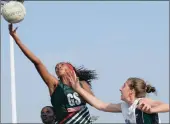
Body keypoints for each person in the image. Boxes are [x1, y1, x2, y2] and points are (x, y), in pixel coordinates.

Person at [9, 24, 98, 124]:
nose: (58, 66)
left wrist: (80, 92)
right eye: (56, 67)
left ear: (71, 69)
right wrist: (17, 40)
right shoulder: (55, 84)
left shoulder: (82, 84)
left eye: (62, 65)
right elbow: (37, 62)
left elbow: (94, 103)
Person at [67, 71, 169, 124]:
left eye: (124, 86)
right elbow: (101, 105)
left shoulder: (142, 101)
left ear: (131, 91)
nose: (120, 89)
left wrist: (152, 110)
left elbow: (167, 106)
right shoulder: (124, 106)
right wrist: (78, 89)